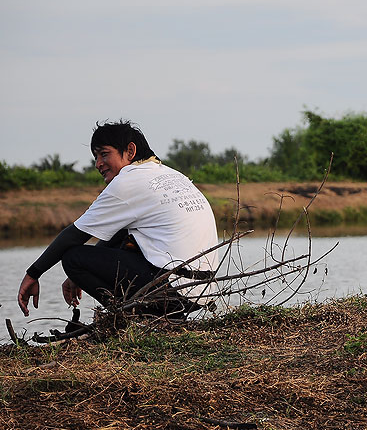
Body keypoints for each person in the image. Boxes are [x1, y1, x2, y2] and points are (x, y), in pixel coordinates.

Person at [17, 120, 220, 320]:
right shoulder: (172, 175)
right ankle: (158, 316)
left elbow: (75, 234)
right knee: (122, 239)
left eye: (104, 154)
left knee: (73, 258)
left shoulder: (128, 181)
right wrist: (76, 276)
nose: (98, 164)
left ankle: (136, 317)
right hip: (201, 292)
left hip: (175, 290)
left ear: (130, 151)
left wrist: (33, 274)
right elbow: (118, 234)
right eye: (95, 157)